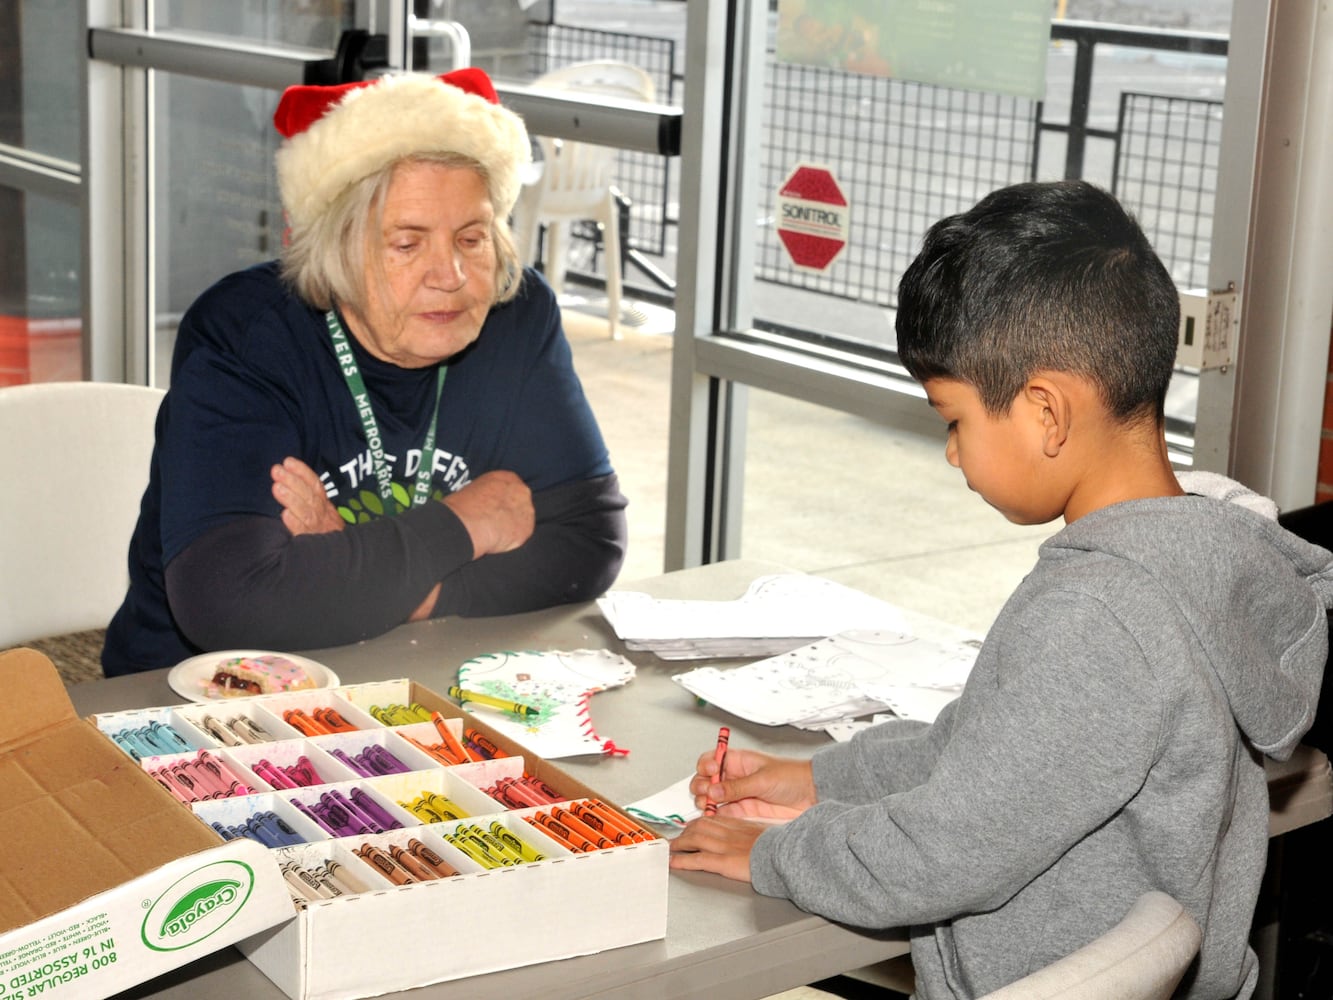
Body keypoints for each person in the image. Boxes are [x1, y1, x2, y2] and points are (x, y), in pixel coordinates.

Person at [668, 180, 1333, 998]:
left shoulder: (1099, 617)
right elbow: (990, 752)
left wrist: (774, 854)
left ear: (1045, 411)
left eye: (953, 421)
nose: (951, 454)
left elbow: (940, 854)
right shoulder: (1193, 559)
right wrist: (817, 781)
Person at [102, 68, 627, 676]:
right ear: (336, 248)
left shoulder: (518, 316)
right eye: (407, 244)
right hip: (198, 704)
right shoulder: (248, 335)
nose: (450, 275)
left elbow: (590, 547)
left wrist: (377, 577)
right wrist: (464, 523)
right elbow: (233, 604)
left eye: (472, 238)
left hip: (431, 675)